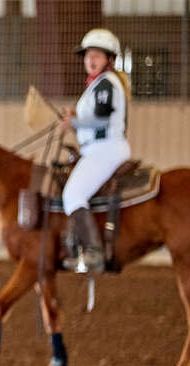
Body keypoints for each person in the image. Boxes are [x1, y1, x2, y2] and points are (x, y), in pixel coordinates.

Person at [59, 28, 132, 274]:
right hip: (98, 149)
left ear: (109, 60)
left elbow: (101, 121)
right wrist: (76, 118)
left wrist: (75, 123)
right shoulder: (99, 85)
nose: (90, 60)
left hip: (105, 150)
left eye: (97, 56)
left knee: (72, 196)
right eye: (87, 55)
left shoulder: (105, 84)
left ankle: (93, 253)